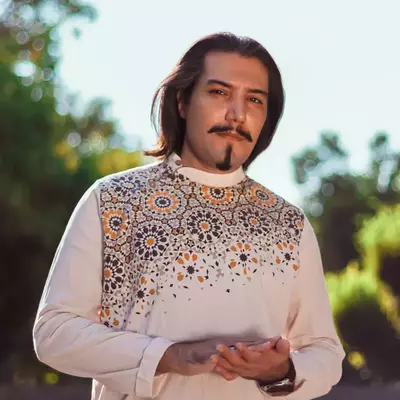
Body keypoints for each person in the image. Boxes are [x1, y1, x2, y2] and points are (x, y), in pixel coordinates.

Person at [33, 32, 345, 400]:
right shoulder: (114, 201)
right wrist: (171, 356)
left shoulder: (287, 224)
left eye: (254, 100)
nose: (237, 114)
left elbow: (325, 353)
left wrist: (281, 370)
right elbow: (54, 332)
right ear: (182, 101)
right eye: (219, 92)